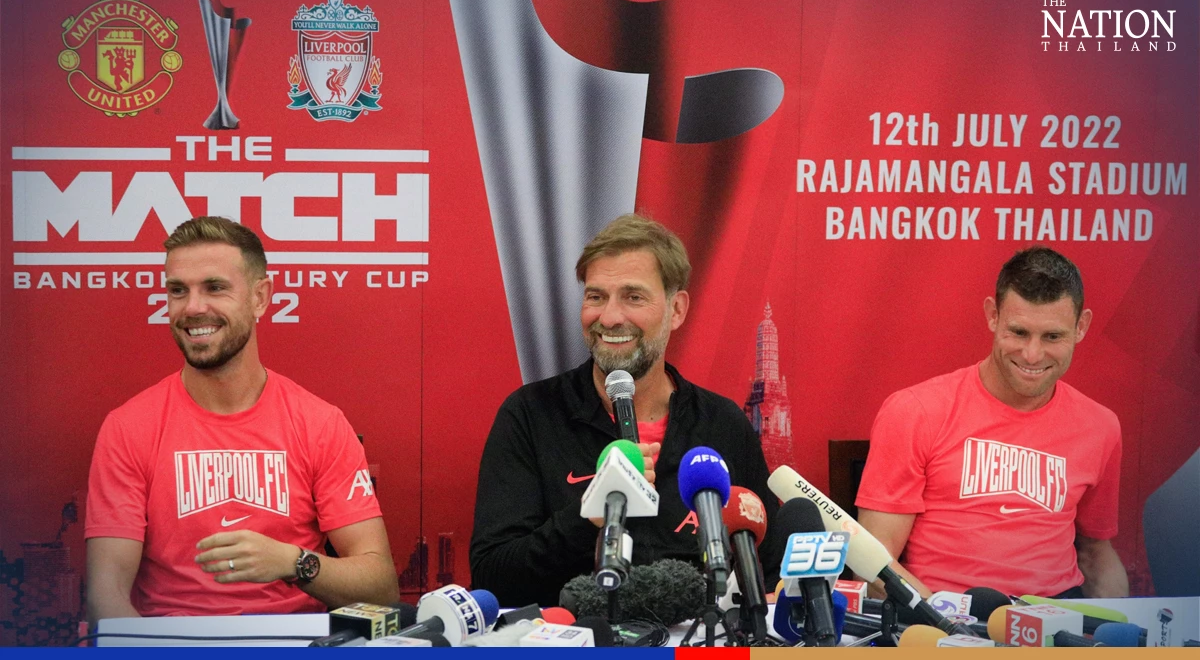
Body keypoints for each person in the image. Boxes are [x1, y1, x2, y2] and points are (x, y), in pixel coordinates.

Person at [85, 217, 399, 623]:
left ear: (260, 298)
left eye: (215, 287)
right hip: (172, 644)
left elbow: (381, 587)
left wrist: (293, 562)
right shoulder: (129, 427)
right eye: (178, 290)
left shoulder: (320, 424)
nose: (193, 307)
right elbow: (106, 594)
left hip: (296, 642)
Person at [470, 214, 783, 607]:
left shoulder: (722, 424)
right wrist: (589, 516)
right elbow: (492, 577)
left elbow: (771, 572)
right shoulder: (531, 415)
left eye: (633, 297)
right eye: (596, 297)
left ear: (677, 309)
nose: (609, 317)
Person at [856, 246, 1127, 599]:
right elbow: (875, 563)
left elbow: (1096, 554)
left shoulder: (1101, 427)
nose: (1032, 355)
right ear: (993, 316)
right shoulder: (914, 411)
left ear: (1081, 327)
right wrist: (940, 618)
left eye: (1052, 337)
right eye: (1019, 332)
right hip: (944, 614)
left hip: (1057, 617)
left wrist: (1123, 624)